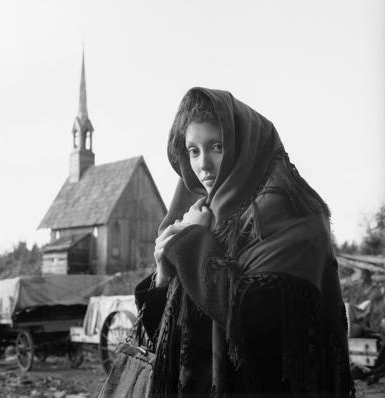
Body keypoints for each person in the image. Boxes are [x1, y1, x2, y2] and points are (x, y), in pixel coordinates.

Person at [135, 87, 355, 397]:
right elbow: (177, 340)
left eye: (217, 146)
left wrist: (195, 243)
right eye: (193, 150)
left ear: (244, 146)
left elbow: (257, 332)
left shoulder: (292, 213)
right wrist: (163, 273)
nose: (204, 166)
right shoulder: (207, 214)